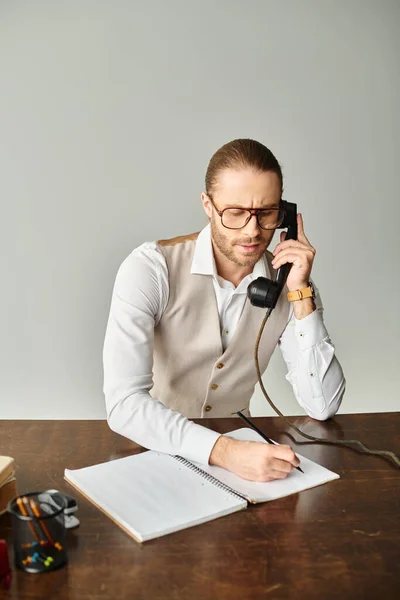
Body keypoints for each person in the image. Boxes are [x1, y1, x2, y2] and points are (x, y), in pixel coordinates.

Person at [103, 139, 345, 482]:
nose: (252, 230)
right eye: (235, 213)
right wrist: (225, 452)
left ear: (284, 213)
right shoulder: (150, 269)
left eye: (266, 213)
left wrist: (302, 296)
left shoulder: (290, 285)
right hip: (151, 453)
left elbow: (322, 406)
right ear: (207, 205)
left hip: (242, 465)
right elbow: (124, 403)